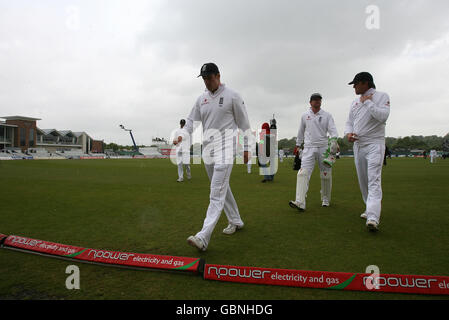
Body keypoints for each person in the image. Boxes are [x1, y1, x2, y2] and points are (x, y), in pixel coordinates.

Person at [174, 62, 251, 251]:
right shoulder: (202, 99)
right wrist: (182, 136)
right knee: (221, 188)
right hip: (208, 150)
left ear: (218, 76)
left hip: (226, 148)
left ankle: (203, 236)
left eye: (209, 78)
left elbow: (244, 123)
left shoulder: (233, 96)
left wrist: (247, 147)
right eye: (204, 79)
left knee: (216, 192)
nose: (207, 82)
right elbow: (191, 122)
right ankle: (236, 220)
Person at [344, 72, 390, 232]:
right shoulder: (354, 102)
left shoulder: (382, 96)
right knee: (363, 181)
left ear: (365, 83)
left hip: (374, 144)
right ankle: (368, 208)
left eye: (355, 84)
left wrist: (368, 103)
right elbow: (349, 122)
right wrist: (348, 134)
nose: (354, 87)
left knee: (374, 180)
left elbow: (383, 116)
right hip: (358, 146)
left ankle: (373, 217)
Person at [289, 93, 338, 211]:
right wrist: (297, 144)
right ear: (310, 102)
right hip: (308, 147)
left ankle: (325, 199)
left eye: (319, 100)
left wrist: (333, 141)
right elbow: (301, 131)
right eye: (315, 100)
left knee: (325, 174)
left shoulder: (327, 115)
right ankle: (300, 201)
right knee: (302, 173)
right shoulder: (305, 115)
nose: (317, 102)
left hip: (323, 147)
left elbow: (333, 131)